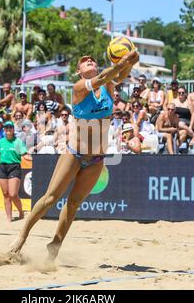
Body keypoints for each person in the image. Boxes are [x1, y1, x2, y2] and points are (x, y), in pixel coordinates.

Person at [8, 51, 139, 261]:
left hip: (96, 159)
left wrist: (131, 62)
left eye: (92, 59)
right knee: (51, 198)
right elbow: (107, 75)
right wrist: (123, 62)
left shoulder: (107, 87)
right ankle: (21, 236)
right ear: (79, 72)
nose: (90, 61)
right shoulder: (79, 89)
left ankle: (55, 246)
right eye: (84, 61)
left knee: (74, 203)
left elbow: (119, 76)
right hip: (74, 153)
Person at [0, 121, 31, 222]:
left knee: (13, 194)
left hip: (14, 167)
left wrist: (35, 159)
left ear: (13, 129)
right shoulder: (1, 141)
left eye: (10, 127)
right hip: (2, 167)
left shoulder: (18, 142)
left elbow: (25, 155)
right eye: (6, 128)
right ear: (4, 130)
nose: (8, 129)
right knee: (6, 194)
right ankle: (9, 218)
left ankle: (21, 212)